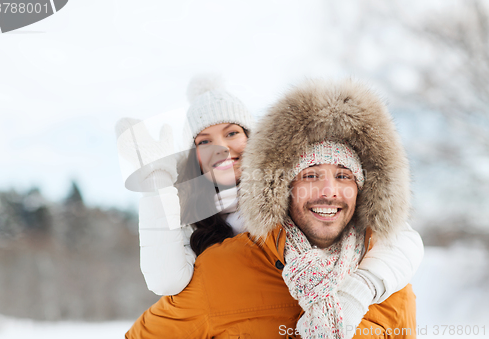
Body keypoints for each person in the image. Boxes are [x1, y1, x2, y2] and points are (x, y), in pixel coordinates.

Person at [125, 79, 419, 338]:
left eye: (344, 176)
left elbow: (403, 240)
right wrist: (159, 183)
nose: (222, 149)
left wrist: (361, 289)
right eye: (311, 175)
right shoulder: (210, 249)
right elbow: (165, 279)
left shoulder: (386, 277)